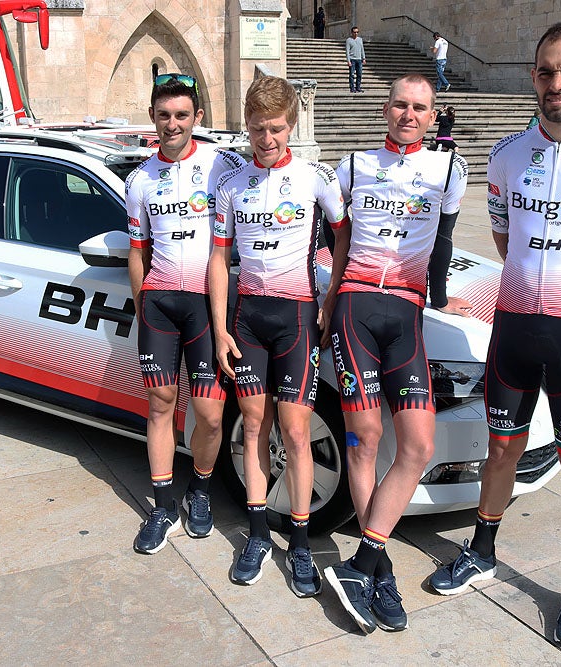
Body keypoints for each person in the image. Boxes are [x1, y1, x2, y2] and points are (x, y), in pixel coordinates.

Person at [428, 22, 561, 649]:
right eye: (547, 71)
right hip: (514, 329)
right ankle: (483, 549)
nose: (557, 83)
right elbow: (504, 239)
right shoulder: (503, 155)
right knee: (502, 450)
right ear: (533, 76)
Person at [321, 73, 472, 634]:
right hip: (356, 311)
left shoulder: (450, 170)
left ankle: (363, 560)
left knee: (419, 444)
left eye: (420, 108)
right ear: (385, 110)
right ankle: (377, 569)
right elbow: (331, 241)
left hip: (406, 316)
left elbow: (444, 241)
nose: (409, 115)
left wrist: (439, 299)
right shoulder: (354, 165)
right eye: (401, 105)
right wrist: (322, 304)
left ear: (432, 117)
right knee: (364, 443)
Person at [209, 75, 347, 596]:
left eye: (277, 129)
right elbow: (220, 259)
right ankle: (259, 533)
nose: (267, 139)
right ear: (246, 127)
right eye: (258, 129)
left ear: (292, 126)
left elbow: (344, 230)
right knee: (252, 427)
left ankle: (303, 541)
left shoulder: (314, 177)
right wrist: (222, 328)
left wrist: (330, 297)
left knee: (294, 431)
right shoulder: (231, 184)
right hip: (248, 320)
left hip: (295, 317)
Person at [126, 73, 247, 555]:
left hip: (206, 304)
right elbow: (137, 252)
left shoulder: (224, 165)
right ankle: (161, 505)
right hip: (159, 302)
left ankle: (199, 491)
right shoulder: (139, 179)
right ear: (153, 120)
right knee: (160, 403)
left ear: (197, 118)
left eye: (181, 115)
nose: (171, 124)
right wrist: (142, 306)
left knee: (210, 415)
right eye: (163, 116)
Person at [346, 26, 366, 93]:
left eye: (357, 32)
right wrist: (348, 61)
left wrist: (364, 58)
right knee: (352, 74)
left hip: (359, 59)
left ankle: (358, 87)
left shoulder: (360, 39)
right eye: (354, 32)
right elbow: (347, 51)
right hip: (352, 59)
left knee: (359, 74)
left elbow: (362, 49)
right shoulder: (348, 40)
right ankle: (352, 88)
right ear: (352, 33)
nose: (356, 33)